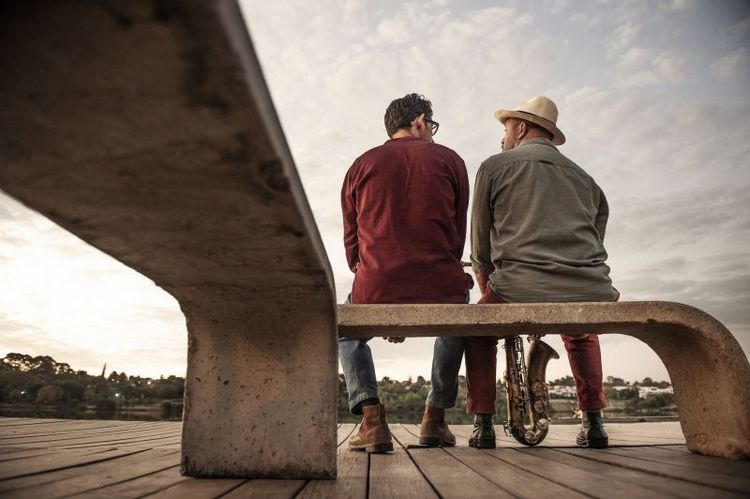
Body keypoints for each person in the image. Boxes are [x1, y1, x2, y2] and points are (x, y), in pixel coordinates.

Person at [468, 95, 619, 449]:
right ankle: (595, 422)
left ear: (521, 128)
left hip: (517, 285)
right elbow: (596, 237)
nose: (503, 137)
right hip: (589, 288)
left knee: (476, 331)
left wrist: (486, 280)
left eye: (506, 128)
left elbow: (479, 243)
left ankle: (484, 425)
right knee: (582, 335)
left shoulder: (494, 166)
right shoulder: (587, 179)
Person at [339, 93, 471, 453]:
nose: (431, 132)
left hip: (376, 285)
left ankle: (371, 421)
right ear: (418, 121)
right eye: (431, 125)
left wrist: (384, 289)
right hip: (439, 283)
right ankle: (435, 419)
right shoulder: (450, 160)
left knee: (346, 331)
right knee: (458, 320)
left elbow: (352, 243)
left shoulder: (360, 165)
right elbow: (456, 233)